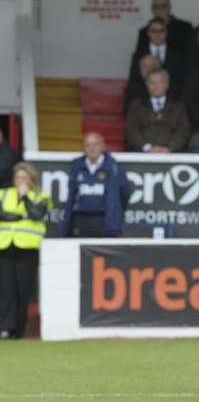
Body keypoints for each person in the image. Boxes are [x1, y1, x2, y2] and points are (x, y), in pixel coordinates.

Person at [0, 163, 51, 339]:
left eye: (24, 178)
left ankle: (18, 329)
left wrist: (25, 198)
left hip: (27, 249)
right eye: (17, 177)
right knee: (6, 289)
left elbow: (36, 215)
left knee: (24, 290)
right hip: (4, 246)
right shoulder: (4, 193)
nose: (20, 181)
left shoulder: (40, 197)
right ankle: (5, 327)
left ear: (31, 180)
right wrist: (17, 216)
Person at [59, 133, 130, 238]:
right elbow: (71, 198)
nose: (92, 149)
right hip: (81, 221)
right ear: (84, 148)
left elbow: (125, 194)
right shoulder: (77, 167)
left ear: (102, 146)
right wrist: (66, 227)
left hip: (105, 222)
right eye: (88, 145)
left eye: (95, 145)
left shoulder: (114, 167)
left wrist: (115, 215)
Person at [126, 69, 190, 153]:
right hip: (142, 154)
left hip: (171, 154)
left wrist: (169, 148)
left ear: (167, 84)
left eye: (160, 82)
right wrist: (148, 148)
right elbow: (132, 129)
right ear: (147, 85)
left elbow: (183, 131)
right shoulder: (137, 105)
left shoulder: (178, 107)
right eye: (152, 82)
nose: (156, 86)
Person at [128, 17, 185, 101]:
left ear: (166, 32)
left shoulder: (177, 55)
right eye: (153, 31)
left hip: (172, 103)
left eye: (161, 30)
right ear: (148, 33)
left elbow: (179, 82)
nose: (157, 34)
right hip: (144, 103)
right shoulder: (138, 55)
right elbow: (134, 82)